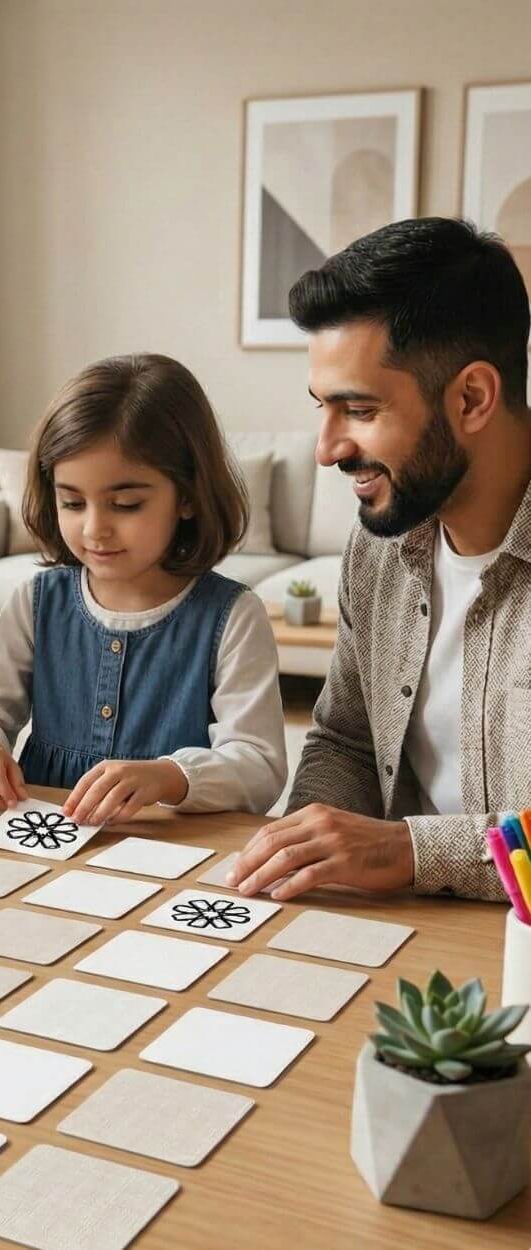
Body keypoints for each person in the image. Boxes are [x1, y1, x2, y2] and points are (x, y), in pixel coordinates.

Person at [228, 217, 531, 903]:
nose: (326, 448)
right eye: (322, 409)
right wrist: (300, 849)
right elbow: (345, 740)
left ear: (472, 398)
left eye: (358, 409)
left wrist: (411, 850)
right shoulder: (380, 545)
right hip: (400, 926)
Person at [0, 353, 287, 825]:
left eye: (125, 504)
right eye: (72, 502)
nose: (95, 529)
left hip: (172, 848)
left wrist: (170, 777)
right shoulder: (35, 602)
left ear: (186, 496)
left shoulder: (233, 616)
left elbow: (259, 766)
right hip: (44, 837)